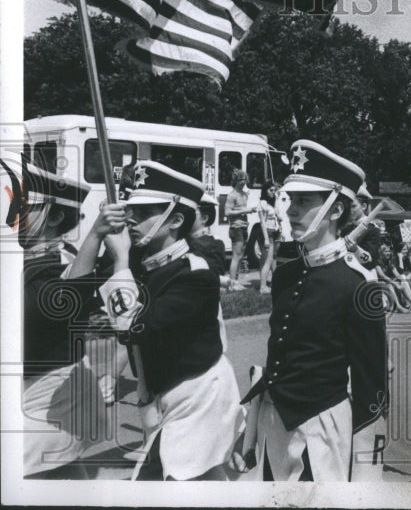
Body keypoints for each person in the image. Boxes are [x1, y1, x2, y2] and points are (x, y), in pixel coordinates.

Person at [67, 161, 244, 480]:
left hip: (198, 396)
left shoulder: (196, 273)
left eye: (144, 211)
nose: (131, 219)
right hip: (161, 396)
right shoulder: (140, 261)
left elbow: (133, 328)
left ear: (175, 219)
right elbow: (71, 299)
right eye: (130, 208)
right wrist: (96, 234)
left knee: (173, 485)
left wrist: (121, 260)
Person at [238, 140, 388, 482]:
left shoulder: (359, 284)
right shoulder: (287, 274)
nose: (290, 211)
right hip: (274, 427)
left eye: (304, 201)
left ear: (335, 210)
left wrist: (368, 477)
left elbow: (372, 388)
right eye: (292, 200)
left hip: (321, 431)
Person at [16, 158, 108, 478]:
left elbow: (49, 306)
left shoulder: (62, 261)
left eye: (23, 206)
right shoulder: (29, 258)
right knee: (56, 472)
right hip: (35, 386)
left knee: (33, 470)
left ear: (54, 215)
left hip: (52, 389)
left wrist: (96, 235)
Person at [225, 170, 253, 287]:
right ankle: (232, 284)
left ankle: (236, 282)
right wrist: (244, 210)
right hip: (236, 227)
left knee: (241, 255)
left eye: (245, 179)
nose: (243, 182)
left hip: (244, 227)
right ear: (236, 180)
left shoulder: (244, 194)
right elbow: (227, 212)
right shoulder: (232, 195)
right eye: (241, 180)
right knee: (236, 256)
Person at [257, 181, 283, 294]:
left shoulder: (272, 203)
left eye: (274, 190)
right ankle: (262, 287)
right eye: (270, 190)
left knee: (273, 259)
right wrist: (266, 238)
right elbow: (262, 222)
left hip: (275, 231)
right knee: (268, 260)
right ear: (265, 191)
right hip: (267, 232)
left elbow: (278, 214)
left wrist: (277, 199)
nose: (273, 192)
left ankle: (274, 282)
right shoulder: (262, 203)